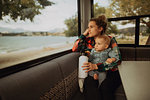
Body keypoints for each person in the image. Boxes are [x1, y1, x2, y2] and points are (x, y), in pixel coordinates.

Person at [72, 15, 122, 100]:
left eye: (91, 27)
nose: (88, 30)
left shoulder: (110, 40)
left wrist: (97, 66)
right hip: (93, 72)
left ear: (100, 29)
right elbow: (74, 48)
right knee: (89, 84)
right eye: (88, 27)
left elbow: (117, 60)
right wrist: (84, 35)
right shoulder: (87, 40)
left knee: (105, 86)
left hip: (110, 72)